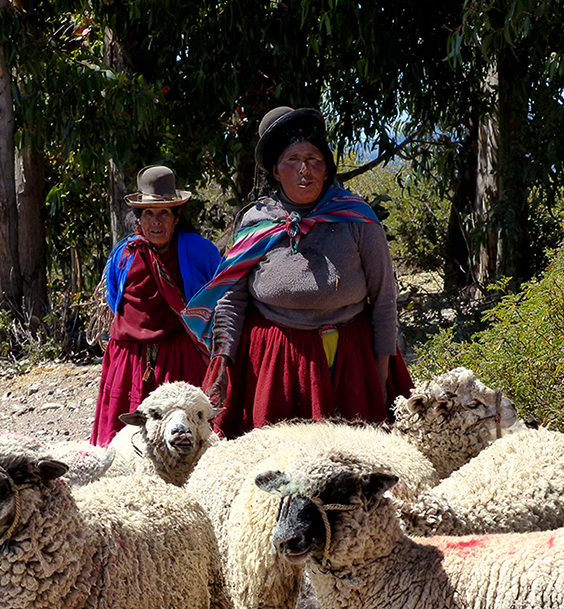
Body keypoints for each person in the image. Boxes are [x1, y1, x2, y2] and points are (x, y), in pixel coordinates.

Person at [183, 107, 413, 438]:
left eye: (313, 158)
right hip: (275, 360)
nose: (304, 169)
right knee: (273, 460)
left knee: (353, 458)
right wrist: (223, 362)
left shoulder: (357, 218)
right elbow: (233, 300)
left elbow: (383, 299)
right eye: (292, 159)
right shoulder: (256, 223)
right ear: (276, 170)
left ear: (326, 168)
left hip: (349, 357)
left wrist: (380, 370)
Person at [91, 165, 221, 447]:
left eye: (164, 212)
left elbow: (219, 298)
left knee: (184, 437)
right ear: (139, 218)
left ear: (177, 217)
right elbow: (116, 299)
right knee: (125, 440)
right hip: (128, 359)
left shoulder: (200, 252)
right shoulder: (124, 255)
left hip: (180, 356)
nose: (156, 221)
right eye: (148, 213)